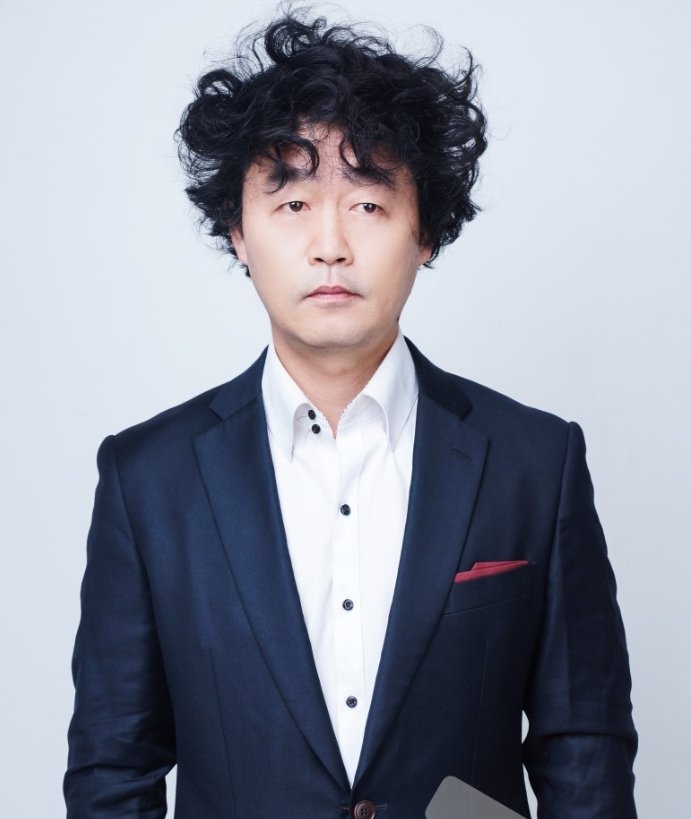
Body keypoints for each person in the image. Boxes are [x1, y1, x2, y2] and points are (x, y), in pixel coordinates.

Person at [63, 8, 638, 818]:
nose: (329, 244)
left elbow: (583, 750)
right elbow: (112, 770)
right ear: (238, 231)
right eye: (292, 204)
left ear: (425, 230)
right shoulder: (148, 478)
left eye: (367, 204)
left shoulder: (534, 462)